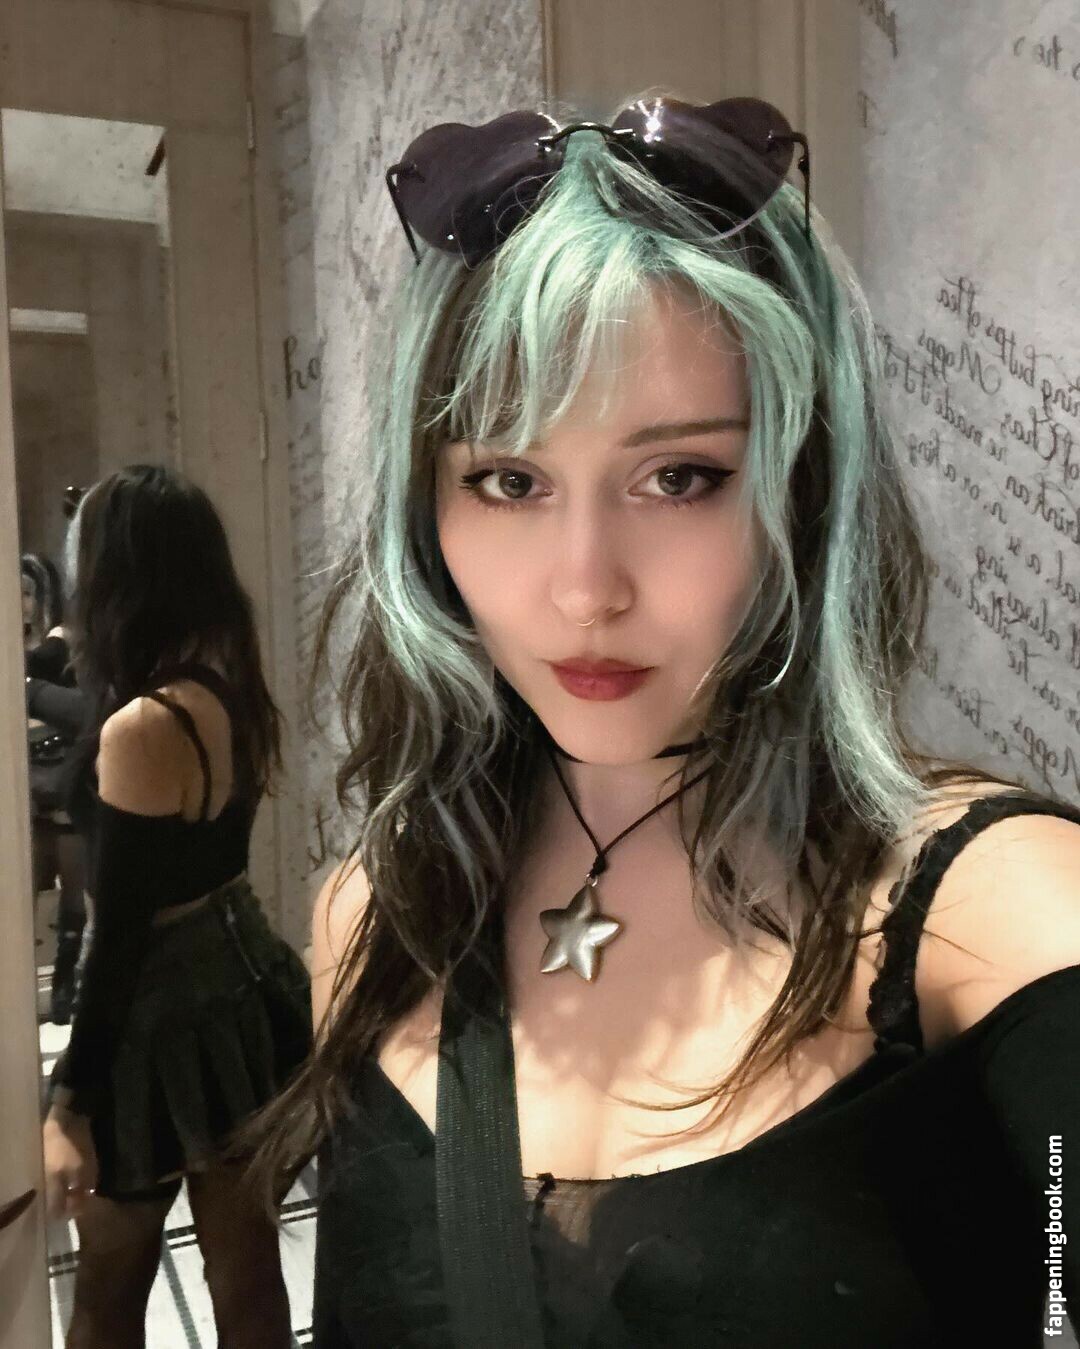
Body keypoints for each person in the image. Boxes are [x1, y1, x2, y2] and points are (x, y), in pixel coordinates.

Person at [250, 94, 1080, 1345]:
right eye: (508, 479)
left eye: (679, 476)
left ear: (805, 486)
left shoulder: (991, 913)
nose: (587, 587)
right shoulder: (375, 915)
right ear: (428, 511)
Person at [41, 463, 311, 1349]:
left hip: (159, 1021)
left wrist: (69, 1105)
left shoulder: (143, 726)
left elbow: (118, 941)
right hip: (241, 996)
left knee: (108, 1291)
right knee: (247, 1274)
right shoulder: (222, 689)